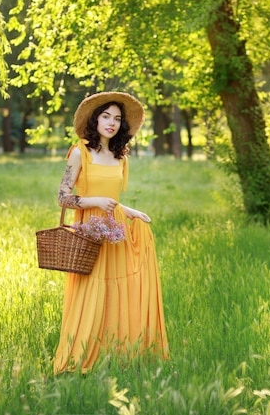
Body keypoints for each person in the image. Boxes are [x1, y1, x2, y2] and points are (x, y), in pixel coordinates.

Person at [53, 92, 169, 374]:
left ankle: (119, 353)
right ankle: (82, 354)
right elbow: (62, 197)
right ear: (95, 119)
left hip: (114, 231)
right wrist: (93, 202)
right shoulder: (80, 151)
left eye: (117, 119)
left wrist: (131, 212)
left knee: (119, 290)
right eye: (106, 116)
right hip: (90, 230)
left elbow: (111, 199)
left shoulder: (119, 157)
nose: (112, 123)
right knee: (92, 289)